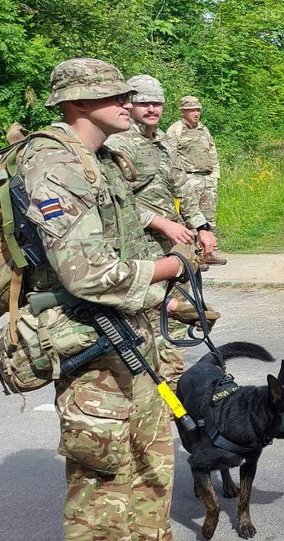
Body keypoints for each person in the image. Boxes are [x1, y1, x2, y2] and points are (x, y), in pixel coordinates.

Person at [18, 57, 195, 540]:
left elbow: (122, 221)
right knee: (104, 485)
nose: (129, 103)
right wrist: (172, 267)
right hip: (91, 345)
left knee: (152, 468)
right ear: (77, 101)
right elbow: (87, 274)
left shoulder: (102, 160)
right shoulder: (54, 165)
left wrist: (163, 236)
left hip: (133, 339)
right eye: (116, 96)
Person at [106, 74, 218, 384]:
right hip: (138, 246)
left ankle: (170, 394)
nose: (151, 108)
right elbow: (117, 201)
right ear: (130, 104)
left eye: (157, 103)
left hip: (172, 245)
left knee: (178, 320)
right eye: (144, 103)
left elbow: (182, 188)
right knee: (150, 324)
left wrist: (202, 226)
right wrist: (161, 223)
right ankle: (154, 392)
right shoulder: (118, 144)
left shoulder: (164, 143)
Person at [166, 95, 226, 265]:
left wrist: (215, 175)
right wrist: (179, 180)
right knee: (191, 220)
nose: (196, 113)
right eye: (192, 110)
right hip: (189, 180)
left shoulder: (204, 129)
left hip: (207, 179)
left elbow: (212, 152)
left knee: (209, 220)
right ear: (183, 112)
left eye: (198, 110)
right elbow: (170, 156)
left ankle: (209, 253)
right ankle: (194, 257)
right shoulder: (176, 130)